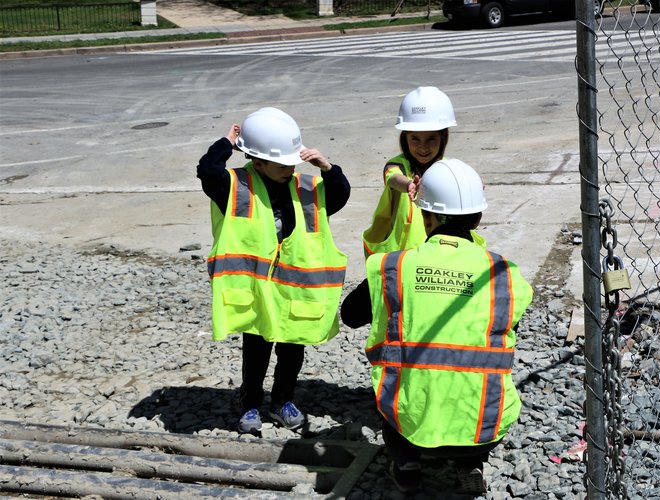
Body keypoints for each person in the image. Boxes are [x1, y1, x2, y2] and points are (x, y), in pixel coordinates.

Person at [341, 159, 533, 494]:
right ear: (477, 218)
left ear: (426, 217)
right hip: (480, 422)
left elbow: (350, 315)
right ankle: (469, 462)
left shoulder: (394, 267)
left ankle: (406, 462)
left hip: (410, 417)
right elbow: (508, 323)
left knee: (397, 386)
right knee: (473, 390)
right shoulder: (504, 273)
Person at [197, 107, 350, 435]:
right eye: (282, 163)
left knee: (292, 353)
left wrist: (329, 168)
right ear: (257, 160)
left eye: (292, 161)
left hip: (293, 295)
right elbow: (207, 171)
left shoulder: (306, 187)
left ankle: (283, 401)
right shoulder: (234, 186)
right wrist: (228, 143)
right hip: (256, 295)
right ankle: (250, 403)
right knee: (255, 354)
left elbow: (339, 196)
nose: (289, 168)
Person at [361, 86, 463, 257]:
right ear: (405, 138)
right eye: (415, 139)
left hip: (436, 256)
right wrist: (408, 184)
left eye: (431, 139)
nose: (423, 147)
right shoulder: (397, 165)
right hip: (401, 260)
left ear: (443, 138)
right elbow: (393, 179)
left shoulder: (450, 170)